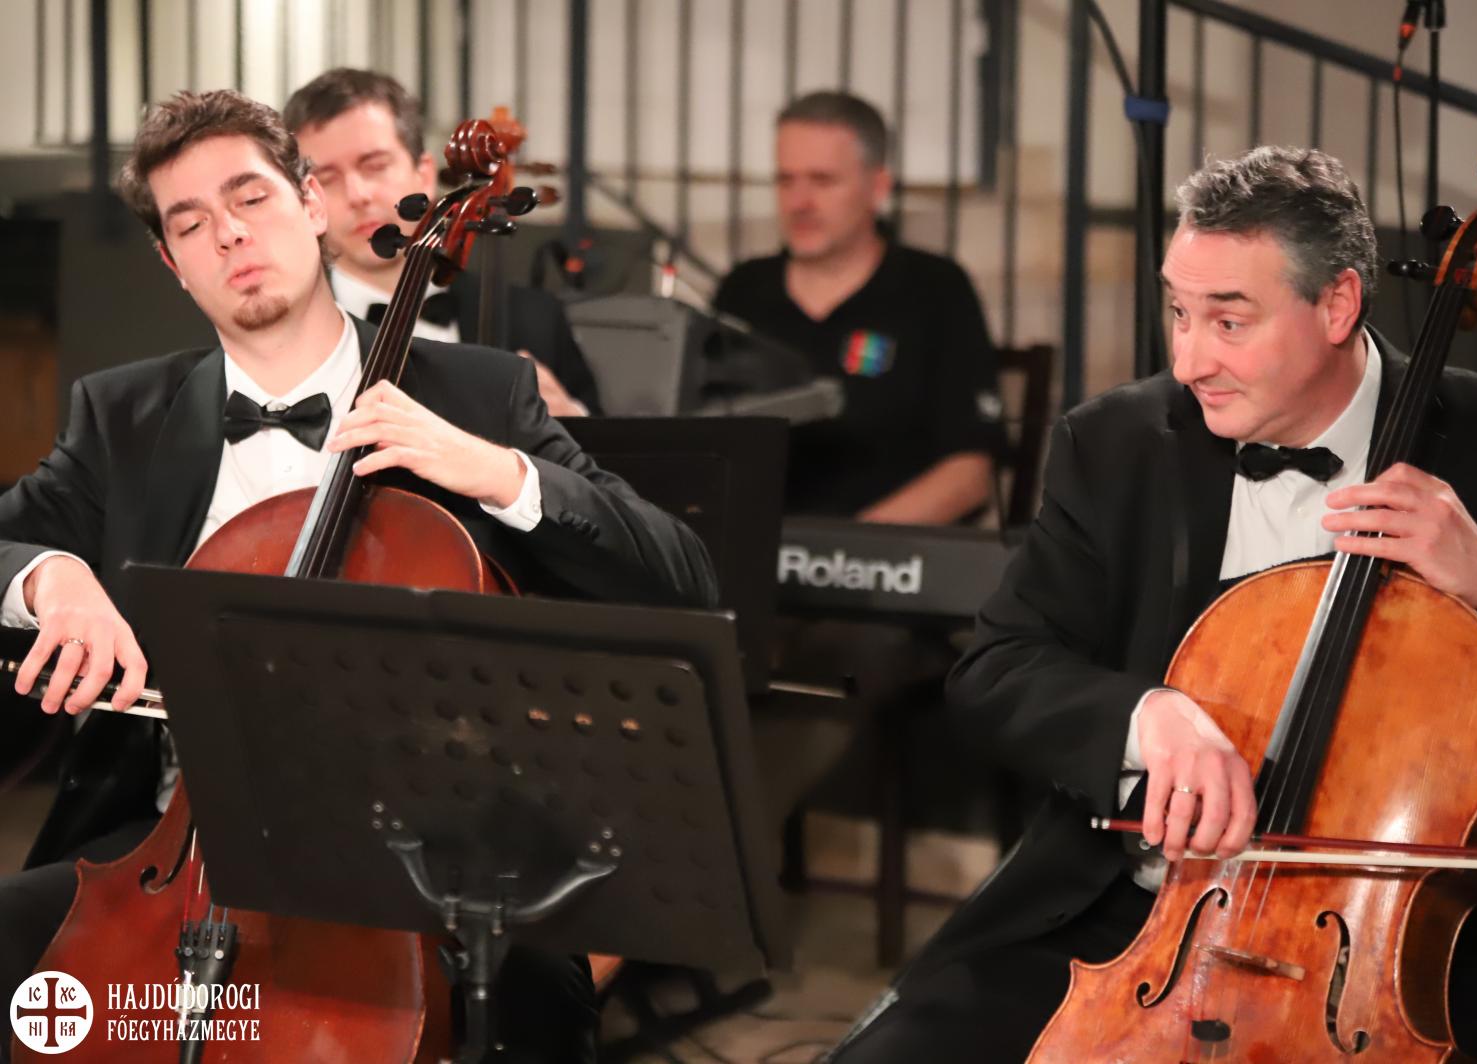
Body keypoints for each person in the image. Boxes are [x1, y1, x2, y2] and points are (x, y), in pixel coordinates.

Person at [826, 146, 1477, 1063]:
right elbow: (996, 668)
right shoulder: (1115, 444)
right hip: (1127, 920)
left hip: (1408, 949)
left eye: (1229, 321)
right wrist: (1146, 718)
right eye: (1179, 313)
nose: (1191, 360)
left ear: (1338, 305)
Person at [0, 88, 717, 1063]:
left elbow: (681, 574)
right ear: (172, 263)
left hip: (427, 869)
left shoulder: (477, 393)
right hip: (174, 855)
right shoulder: (120, 415)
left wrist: (498, 473)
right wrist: (53, 580)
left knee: (533, 1000)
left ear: (310, 203)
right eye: (191, 223)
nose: (228, 234)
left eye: (250, 197)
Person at [713, 90, 1003, 523]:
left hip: (888, 554)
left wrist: (846, 550)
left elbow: (969, 472)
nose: (799, 202)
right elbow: (702, 448)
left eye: (823, 181)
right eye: (786, 180)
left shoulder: (935, 289)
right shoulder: (744, 289)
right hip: (747, 550)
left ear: (878, 187)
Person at [284, 67, 603, 417]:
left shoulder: (535, 319)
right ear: (306, 199)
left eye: (375, 166)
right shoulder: (281, 333)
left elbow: (612, 451)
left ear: (424, 175)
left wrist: (573, 420)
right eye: (327, 178)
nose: (357, 195)